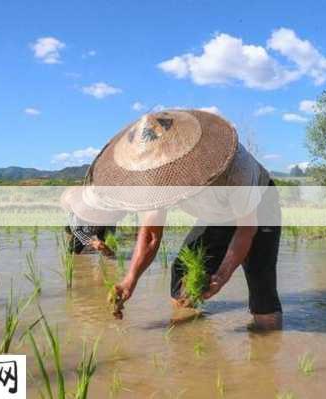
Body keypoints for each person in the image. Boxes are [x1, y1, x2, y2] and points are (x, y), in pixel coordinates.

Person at [86, 109, 282, 330]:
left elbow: (246, 230)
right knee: (183, 276)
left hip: (260, 203)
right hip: (216, 213)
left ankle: (267, 348)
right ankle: (190, 345)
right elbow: (151, 235)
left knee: (260, 284)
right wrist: (130, 280)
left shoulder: (235, 169)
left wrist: (222, 274)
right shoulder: (157, 175)